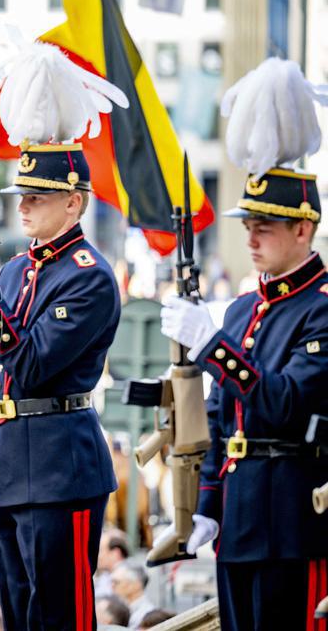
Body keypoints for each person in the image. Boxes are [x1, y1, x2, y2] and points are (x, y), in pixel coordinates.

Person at [0, 43, 125, 631]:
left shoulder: (90, 278)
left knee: (61, 615)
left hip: (61, 463)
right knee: (19, 614)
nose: (24, 206)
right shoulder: (20, 269)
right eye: (21, 196)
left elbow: (30, 362)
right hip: (14, 464)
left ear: (73, 202)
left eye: (38, 197)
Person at [158, 57, 328, 631]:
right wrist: (205, 507)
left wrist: (214, 348)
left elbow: (282, 403)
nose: (251, 238)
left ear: (303, 229)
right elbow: (219, 417)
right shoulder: (243, 306)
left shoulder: (323, 306)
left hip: (291, 518)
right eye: (247, 225)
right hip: (239, 516)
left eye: (266, 226)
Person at [110, 561, 154, 629]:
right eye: (111, 582)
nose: (112, 586)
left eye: (116, 582)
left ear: (136, 584)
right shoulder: (124, 610)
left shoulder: (146, 614)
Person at [94, 529, 130, 596]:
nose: (97, 555)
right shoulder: (106, 575)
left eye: (100, 550)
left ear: (115, 553)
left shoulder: (125, 582)